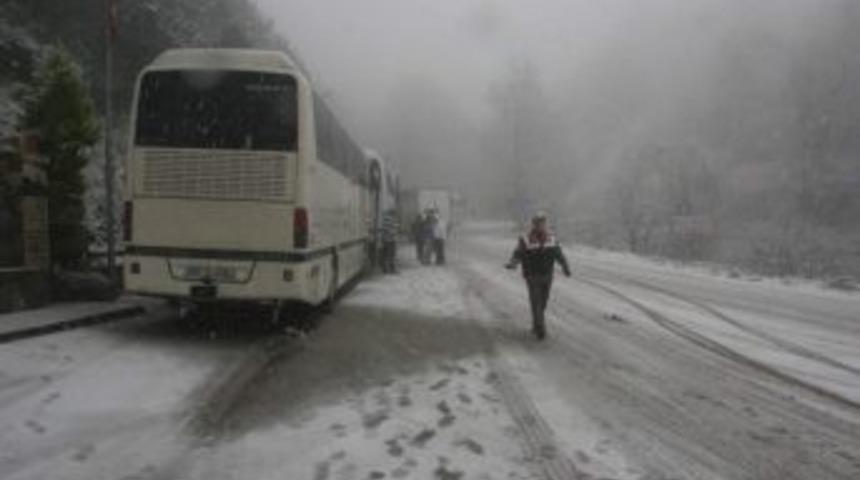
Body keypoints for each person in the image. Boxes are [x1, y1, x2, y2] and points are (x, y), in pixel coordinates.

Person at [505, 212, 571, 340]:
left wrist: (565, 267)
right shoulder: (525, 239)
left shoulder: (551, 238)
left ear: (545, 224)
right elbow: (518, 253)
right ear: (534, 225)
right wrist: (513, 264)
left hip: (547, 276)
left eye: (543, 223)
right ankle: (540, 328)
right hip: (532, 276)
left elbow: (559, 255)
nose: (541, 225)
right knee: (536, 301)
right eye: (538, 223)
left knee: (543, 302)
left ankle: (536, 323)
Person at [380, 208, 399, 274]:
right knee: (391, 255)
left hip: (385, 240)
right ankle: (392, 269)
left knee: (385, 255)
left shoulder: (384, 220)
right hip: (390, 240)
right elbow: (392, 230)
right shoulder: (391, 220)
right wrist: (394, 231)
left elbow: (384, 230)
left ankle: (384, 269)